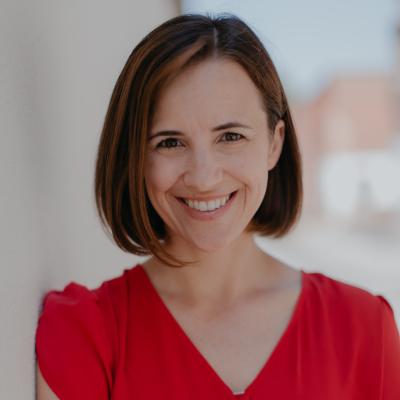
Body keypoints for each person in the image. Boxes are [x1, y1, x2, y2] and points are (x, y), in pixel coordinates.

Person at [35, 13, 400, 400]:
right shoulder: (85, 334)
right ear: (136, 157)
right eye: (170, 142)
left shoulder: (363, 330)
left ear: (274, 143)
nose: (204, 177)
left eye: (230, 136)